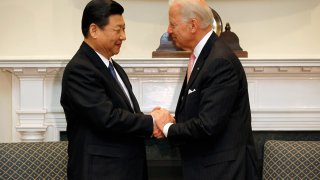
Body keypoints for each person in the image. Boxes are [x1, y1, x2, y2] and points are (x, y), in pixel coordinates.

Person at [60, 0, 171, 179]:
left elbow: (124, 114)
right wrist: (151, 122)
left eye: (124, 29)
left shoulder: (114, 68)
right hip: (101, 173)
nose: (123, 36)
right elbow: (108, 118)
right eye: (117, 30)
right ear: (94, 30)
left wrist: (149, 120)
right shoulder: (79, 70)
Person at [154, 0, 260, 179]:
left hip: (223, 171)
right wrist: (175, 120)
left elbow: (207, 126)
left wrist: (167, 128)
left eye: (173, 24)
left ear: (193, 25)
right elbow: (203, 111)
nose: (169, 30)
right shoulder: (205, 55)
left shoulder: (219, 61)